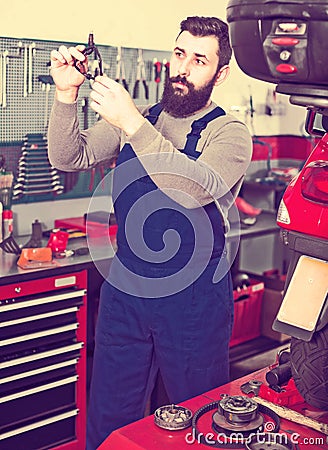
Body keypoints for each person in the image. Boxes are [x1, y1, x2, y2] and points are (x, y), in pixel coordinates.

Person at [48, 16, 252, 449]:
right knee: (109, 418)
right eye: (180, 54)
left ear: (221, 73)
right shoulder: (139, 118)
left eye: (200, 60)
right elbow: (70, 156)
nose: (184, 68)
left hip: (193, 300)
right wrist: (66, 95)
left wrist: (132, 126)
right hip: (126, 291)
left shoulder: (229, 133)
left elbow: (192, 190)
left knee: (199, 419)